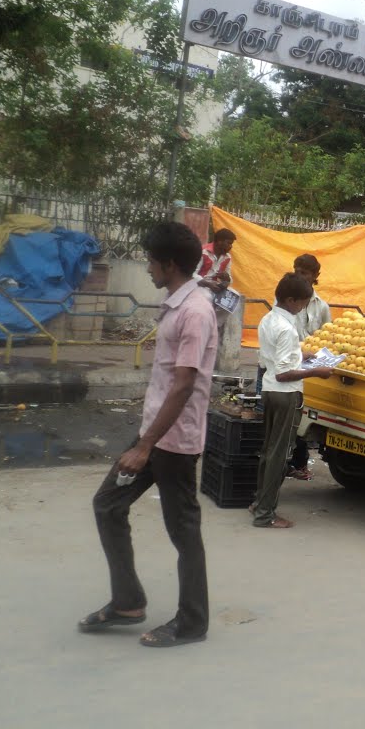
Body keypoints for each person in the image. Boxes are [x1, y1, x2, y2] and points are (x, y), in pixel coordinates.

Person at [79, 222, 216, 648]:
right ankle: (128, 602)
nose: (147, 269)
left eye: (151, 262)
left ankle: (192, 622)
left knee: (183, 531)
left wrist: (144, 446)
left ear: (169, 264)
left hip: (171, 444)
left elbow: (184, 384)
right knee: (107, 504)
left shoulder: (195, 311)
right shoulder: (178, 303)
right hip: (154, 435)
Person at [251, 273, 335, 528]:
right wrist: (317, 371)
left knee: (268, 451)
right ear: (291, 300)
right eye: (302, 303)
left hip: (269, 390)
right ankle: (266, 514)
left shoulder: (269, 319)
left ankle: (258, 503)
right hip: (285, 394)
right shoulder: (287, 328)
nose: (303, 308)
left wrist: (309, 355)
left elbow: (280, 355)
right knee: (279, 455)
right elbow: (284, 373)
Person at [287, 254, 333, 480]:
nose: (299, 276)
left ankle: (298, 463)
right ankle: (289, 463)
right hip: (286, 365)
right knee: (284, 417)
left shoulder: (321, 306)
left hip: (308, 369)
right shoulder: (286, 301)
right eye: (296, 271)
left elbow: (327, 337)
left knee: (302, 416)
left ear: (315, 276)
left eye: (304, 272)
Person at [196, 228, 236, 298]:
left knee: (236, 297)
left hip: (215, 288)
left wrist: (227, 278)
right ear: (219, 241)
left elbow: (229, 279)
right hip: (199, 287)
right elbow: (191, 274)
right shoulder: (203, 252)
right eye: (229, 243)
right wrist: (208, 284)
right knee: (208, 296)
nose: (230, 247)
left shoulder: (227, 257)